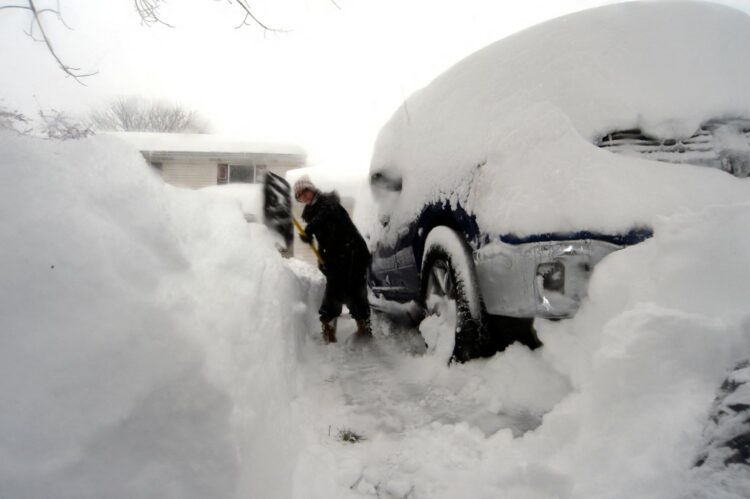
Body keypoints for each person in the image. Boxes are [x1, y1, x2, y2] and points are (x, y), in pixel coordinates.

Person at [294, 175, 371, 344]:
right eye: (299, 195)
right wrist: (323, 261)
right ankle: (329, 330)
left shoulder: (328, 203)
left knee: (355, 289)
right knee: (334, 289)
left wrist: (310, 228)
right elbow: (325, 241)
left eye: (304, 191)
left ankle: (363, 328)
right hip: (337, 256)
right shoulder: (312, 212)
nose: (303, 196)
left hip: (353, 252)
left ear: (311, 189)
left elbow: (327, 215)